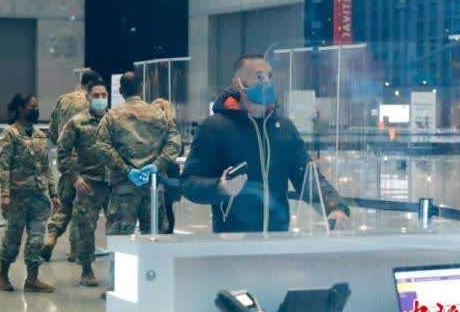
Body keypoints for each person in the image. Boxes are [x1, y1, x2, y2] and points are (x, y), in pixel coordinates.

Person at [181, 55, 350, 233]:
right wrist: (220, 187)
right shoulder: (214, 127)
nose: (267, 82)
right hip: (232, 239)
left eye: (269, 76)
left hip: (278, 238)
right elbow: (188, 183)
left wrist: (334, 207)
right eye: (259, 76)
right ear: (238, 83)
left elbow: (306, 176)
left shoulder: (284, 128)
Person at [95, 72, 182, 236]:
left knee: (120, 241)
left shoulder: (111, 117)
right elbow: (174, 143)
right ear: (141, 89)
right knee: (155, 239)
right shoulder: (159, 114)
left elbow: (102, 146)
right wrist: (156, 165)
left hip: (123, 187)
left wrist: (126, 170)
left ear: (121, 91)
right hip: (153, 186)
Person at [0, 93, 60, 293]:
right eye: (31, 106)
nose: (35, 110)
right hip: (18, 196)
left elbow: (46, 167)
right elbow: (3, 166)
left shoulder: (40, 135)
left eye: (36, 106)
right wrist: (5, 194)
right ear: (20, 108)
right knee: (12, 238)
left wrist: (54, 193)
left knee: (37, 240)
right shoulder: (10, 134)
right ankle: (2, 275)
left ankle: (32, 280)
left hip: (39, 196)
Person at [53, 80, 110, 286]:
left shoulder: (114, 120)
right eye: (96, 95)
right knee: (85, 228)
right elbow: (62, 153)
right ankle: (87, 270)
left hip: (113, 183)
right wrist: (75, 178)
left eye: (104, 95)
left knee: (120, 229)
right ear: (87, 97)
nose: (100, 99)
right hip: (89, 183)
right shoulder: (77, 122)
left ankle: (119, 271)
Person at [43, 69, 102, 262]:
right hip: (86, 163)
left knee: (64, 203)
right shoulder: (91, 102)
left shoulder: (63, 99)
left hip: (67, 160)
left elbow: (53, 130)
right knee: (81, 207)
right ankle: (75, 249)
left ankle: (51, 237)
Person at [151, 98, 182, 234]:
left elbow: (179, 148)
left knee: (167, 205)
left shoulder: (172, 126)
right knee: (152, 204)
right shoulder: (148, 127)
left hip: (168, 172)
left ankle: (168, 232)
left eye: (161, 109)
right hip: (153, 171)